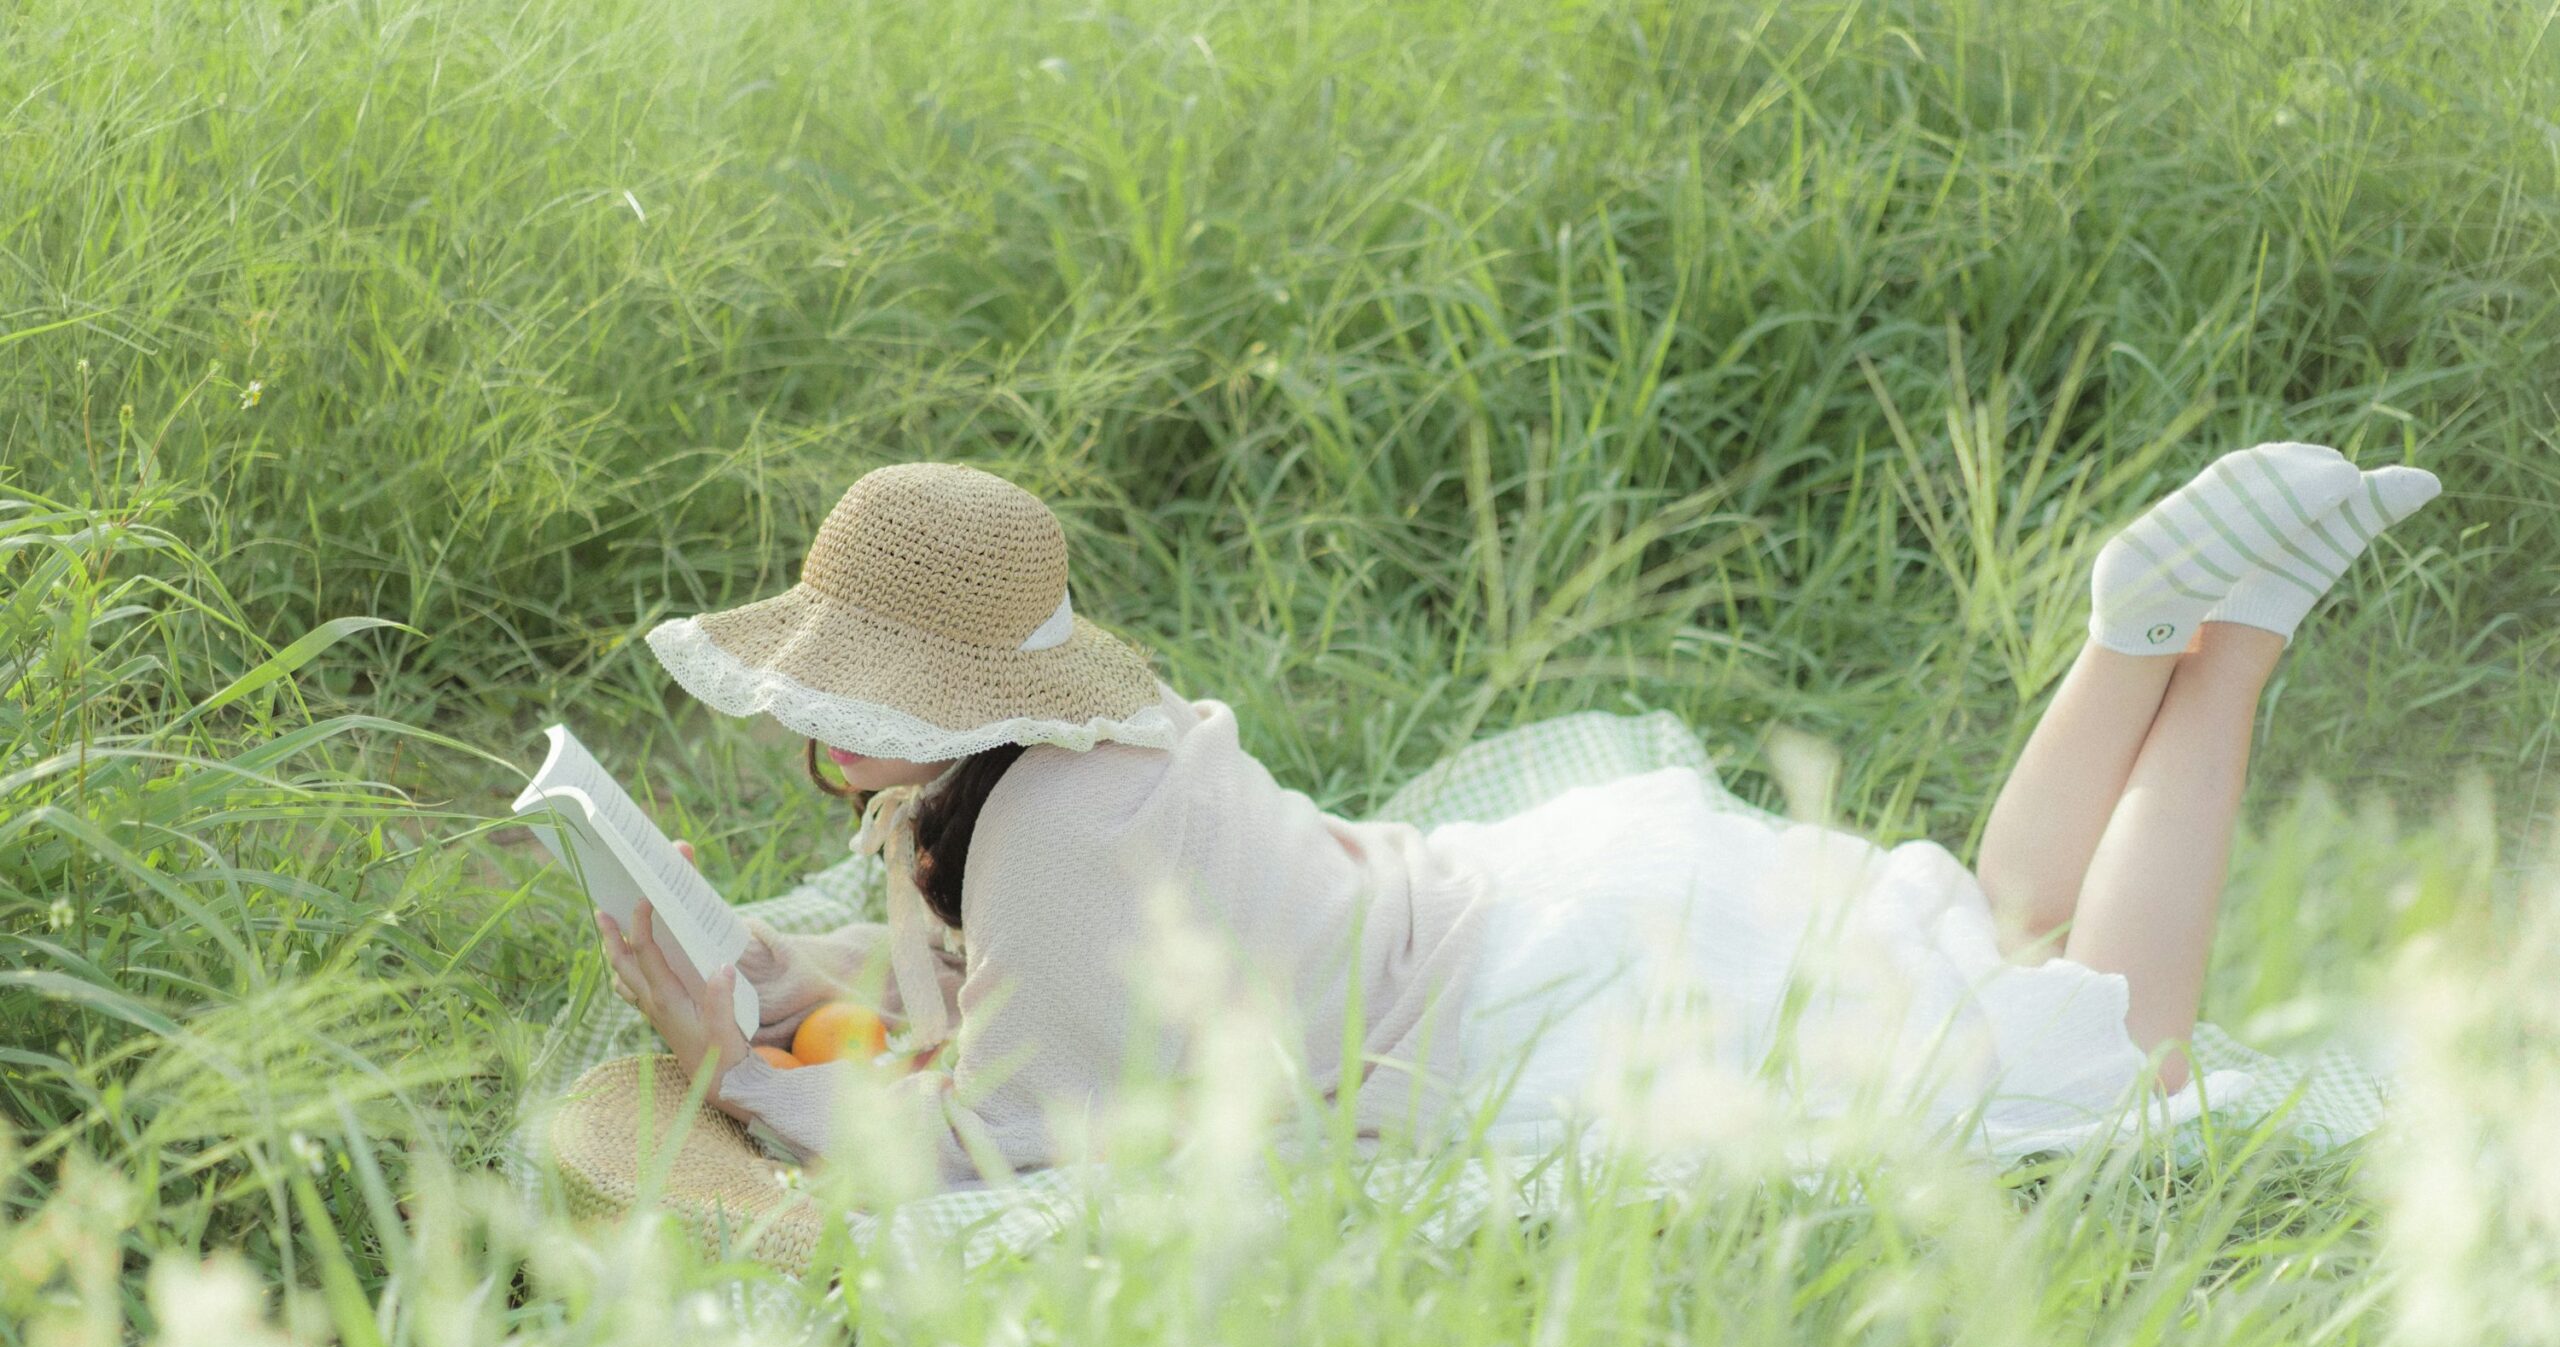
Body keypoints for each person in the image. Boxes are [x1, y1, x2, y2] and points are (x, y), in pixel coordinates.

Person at [592, 449, 2437, 1188]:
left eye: (834, 699)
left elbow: (1007, 1135)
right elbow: (980, 966)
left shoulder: (1047, 833)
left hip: (1546, 1009)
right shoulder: (1020, 778)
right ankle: (2140, 644)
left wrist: (740, 1076)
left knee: (2116, 1053)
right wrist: (785, 963)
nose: (815, 731)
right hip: (1545, 905)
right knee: (1968, 936)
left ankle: (2235, 653)